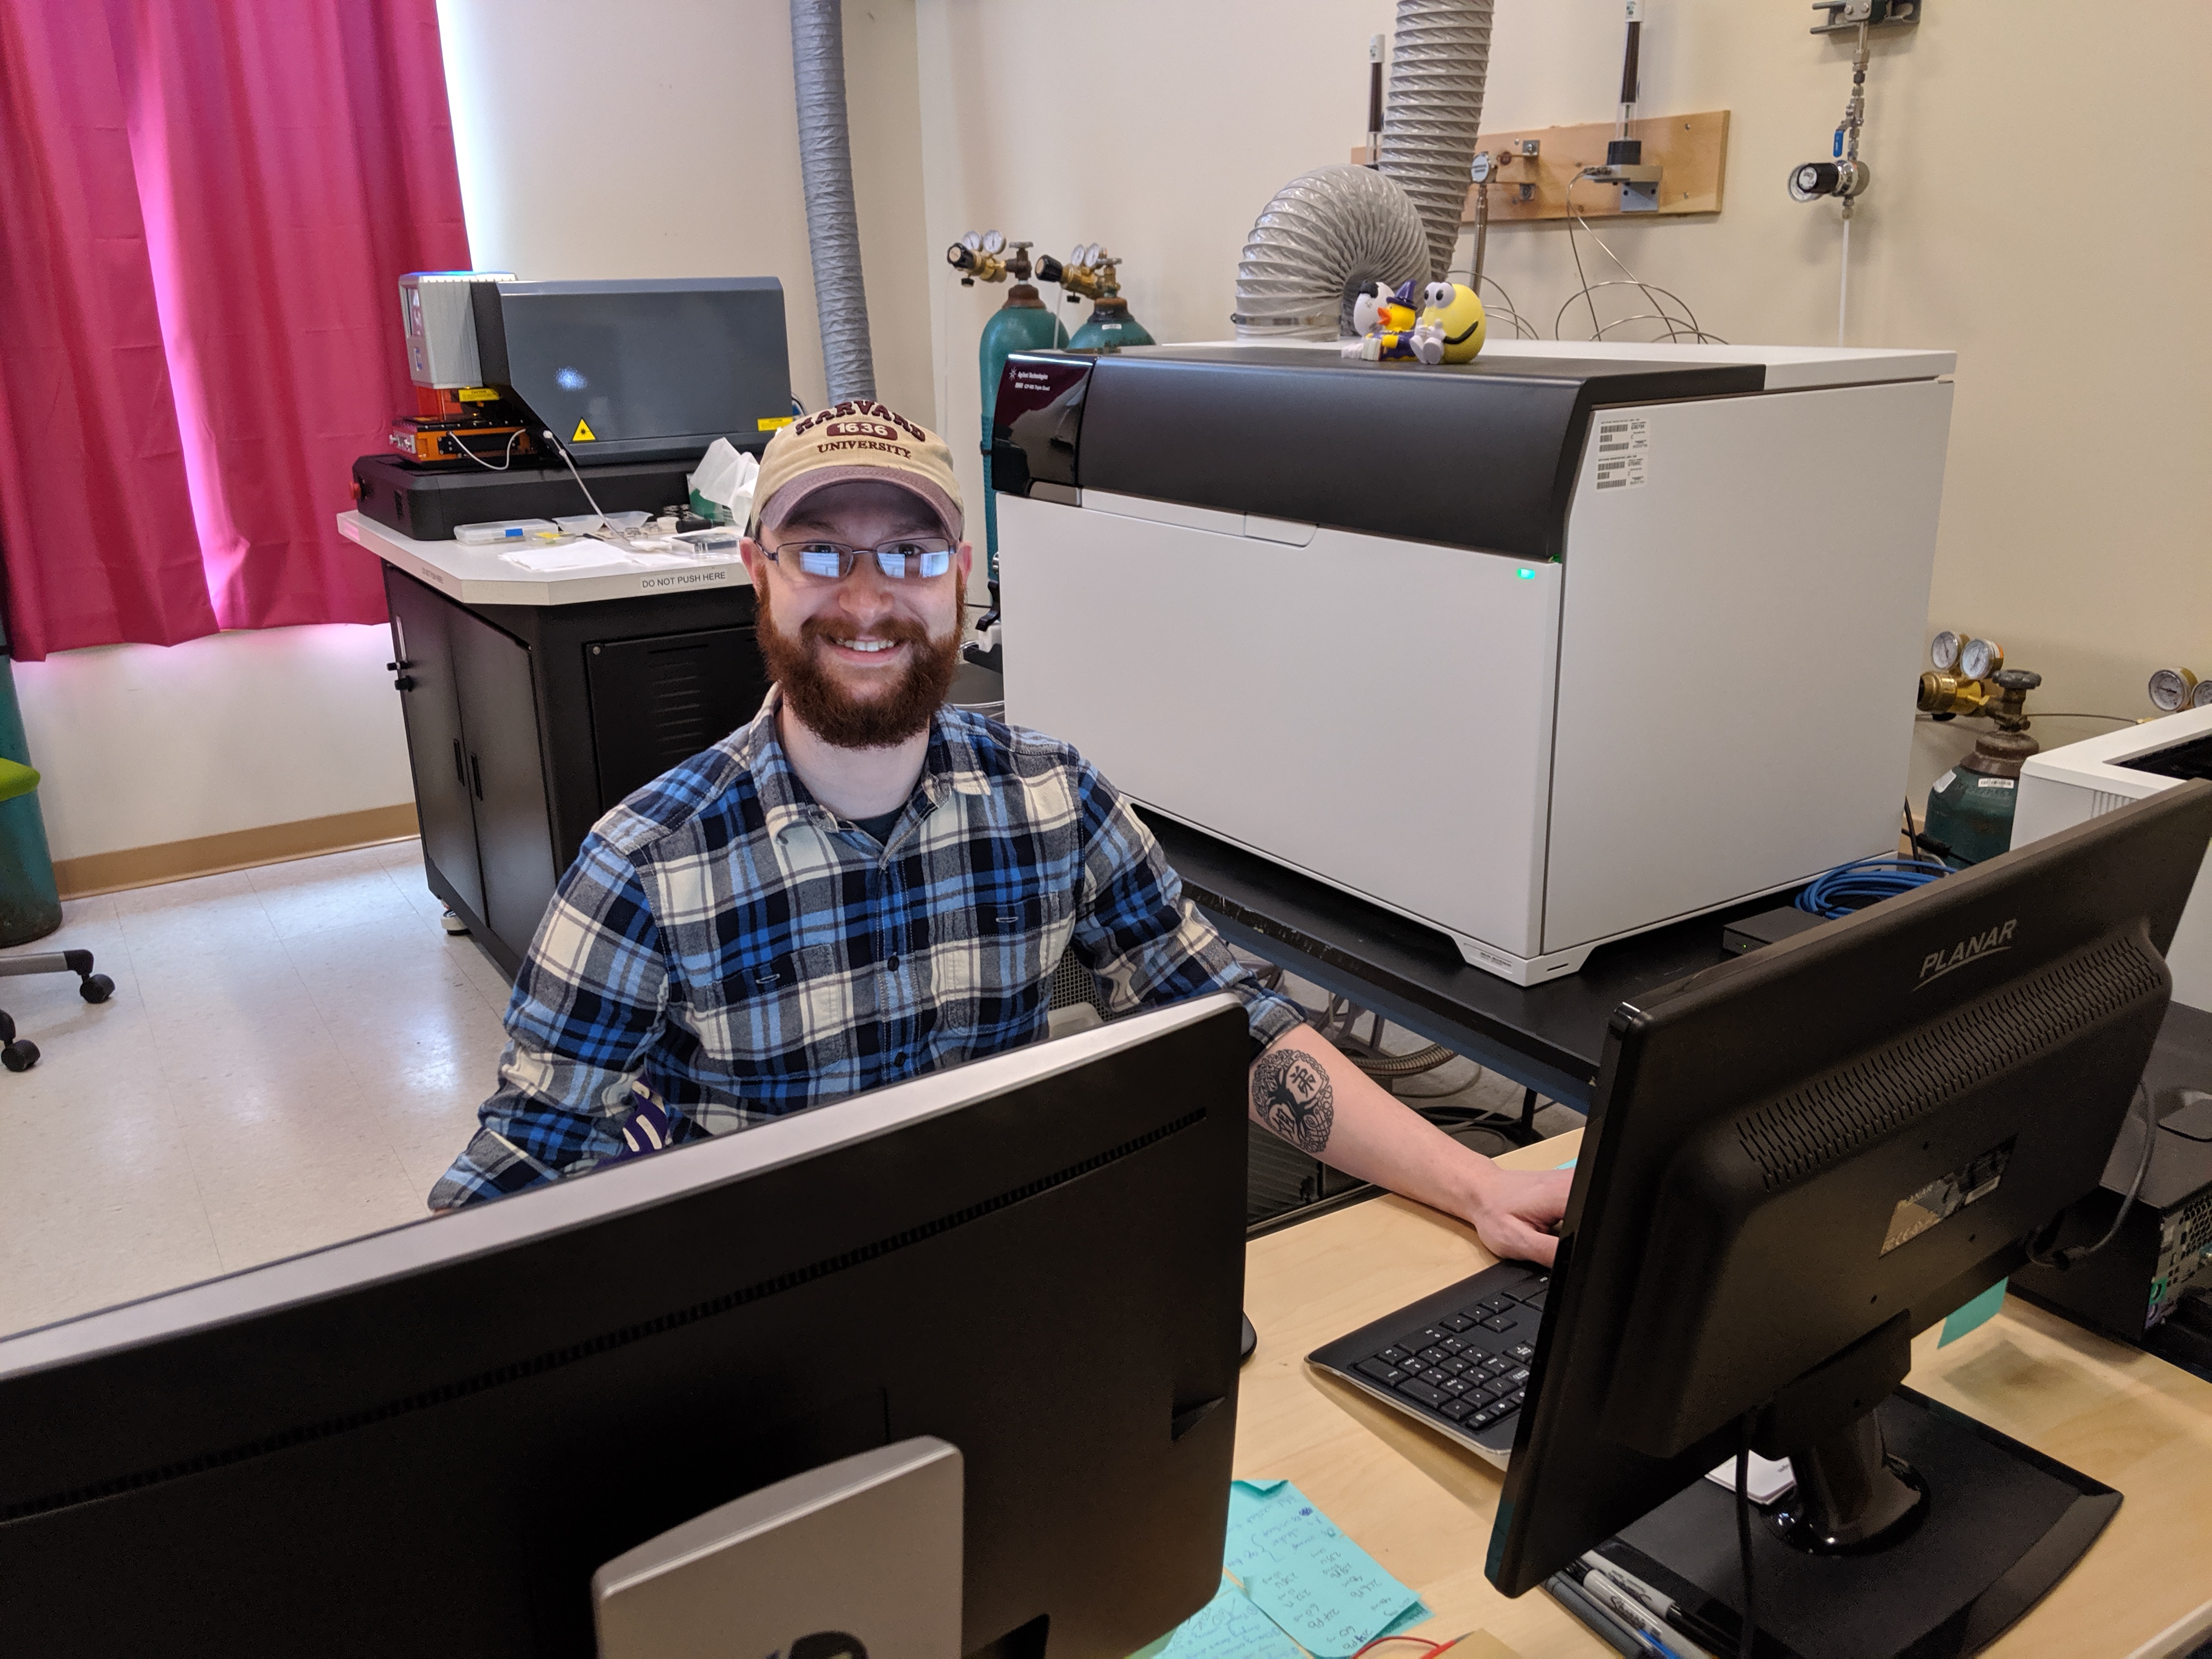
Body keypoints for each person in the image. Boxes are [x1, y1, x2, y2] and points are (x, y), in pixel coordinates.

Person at [427, 402, 1571, 1263]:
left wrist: (1473, 1185)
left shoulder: (1052, 799)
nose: (869, 598)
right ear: (756, 574)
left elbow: (1236, 1025)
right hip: (772, 1319)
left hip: (1004, 1281)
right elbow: (523, 1171)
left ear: (960, 576)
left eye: (913, 554)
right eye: (822, 552)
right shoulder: (648, 863)